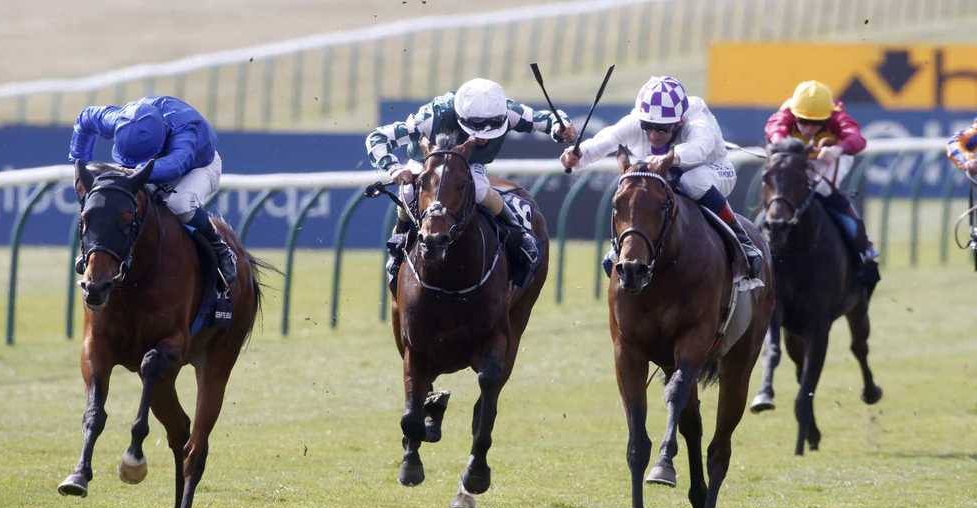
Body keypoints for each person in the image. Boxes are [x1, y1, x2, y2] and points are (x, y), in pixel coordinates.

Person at [366, 78, 574, 289]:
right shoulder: (432, 116)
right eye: (476, 128)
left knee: (481, 190)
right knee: (409, 192)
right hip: (428, 161)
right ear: (460, 116)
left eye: (493, 127)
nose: (484, 136)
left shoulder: (508, 110)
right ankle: (398, 242)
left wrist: (560, 127)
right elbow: (377, 137)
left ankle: (518, 234)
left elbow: (548, 118)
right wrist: (394, 168)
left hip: (469, 163)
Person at [561, 75, 763, 283]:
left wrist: (670, 157)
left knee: (691, 180)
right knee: (636, 190)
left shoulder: (698, 120)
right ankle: (620, 248)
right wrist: (576, 155)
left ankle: (743, 241)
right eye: (648, 126)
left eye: (662, 128)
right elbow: (606, 139)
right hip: (667, 177)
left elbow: (699, 149)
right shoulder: (636, 122)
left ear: (679, 122)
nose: (654, 135)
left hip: (714, 170)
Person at [68, 95, 236, 287]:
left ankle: (219, 248)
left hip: (197, 167)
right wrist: (79, 166)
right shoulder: (122, 119)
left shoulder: (185, 131)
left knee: (179, 203)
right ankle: (95, 251)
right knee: (110, 192)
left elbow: (177, 164)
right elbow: (85, 119)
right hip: (146, 165)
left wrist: (136, 172)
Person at [765, 80, 879, 272]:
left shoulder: (836, 115)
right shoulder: (786, 112)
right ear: (794, 114)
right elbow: (774, 129)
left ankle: (862, 245)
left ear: (826, 118)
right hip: (795, 156)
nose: (808, 128)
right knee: (782, 186)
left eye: (815, 123)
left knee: (823, 190)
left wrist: (837, 149)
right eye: (802, 121)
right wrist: (784, 146)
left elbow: (857, 139)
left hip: (829, 157)